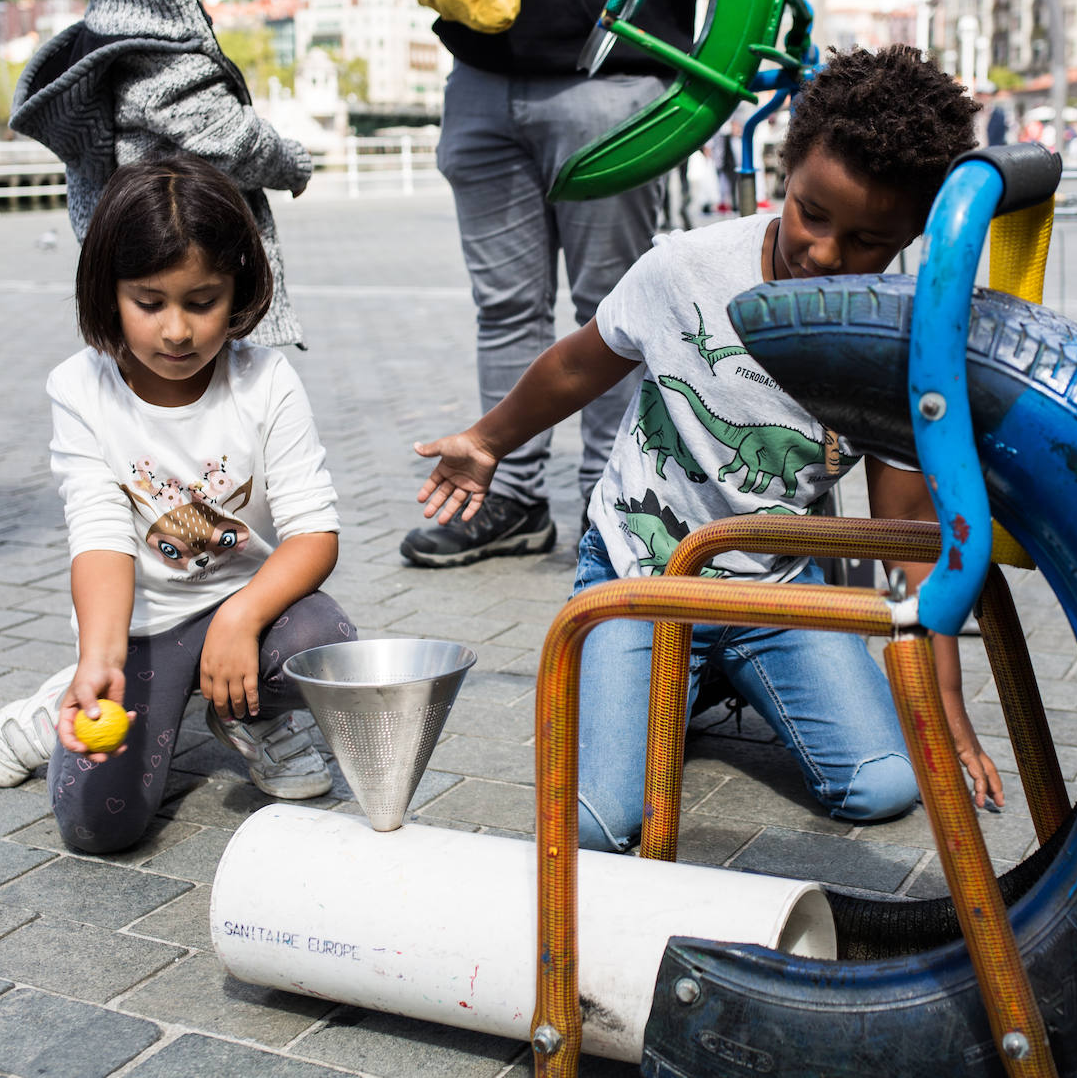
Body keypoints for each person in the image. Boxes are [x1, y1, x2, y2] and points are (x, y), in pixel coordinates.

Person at [412, 45, 1006, 852]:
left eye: (869, 239)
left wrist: (947, 707)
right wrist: (488, 440)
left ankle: (725, 672)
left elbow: (909, 546)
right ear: (786, 172)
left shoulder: (900, 340)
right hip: (642, 573)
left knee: (885, 784)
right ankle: (657, 674)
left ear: (917, 233)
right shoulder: (685, 270)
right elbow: (577, 364)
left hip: (775, 587)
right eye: (811, 213)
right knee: (598, 821)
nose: (825, 253)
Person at [0, 156, 355, 854]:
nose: (177, 330)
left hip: (245, 609)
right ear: (107, 293)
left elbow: (314, 533)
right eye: (149, 303)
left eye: (201, 301)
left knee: (324, 640)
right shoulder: (79, 389)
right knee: (98, 826)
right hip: (141, 629)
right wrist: (101, 658)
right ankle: (55, 704)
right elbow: (100, 537)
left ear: (238, 290)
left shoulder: (267, 380)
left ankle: (248, 714)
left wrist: (241, 615)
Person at [396, 0, 700, 566]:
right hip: (481, 71)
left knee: (615, 308)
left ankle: (612, 498)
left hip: (615, 69)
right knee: (505, 306)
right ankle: (510, 495)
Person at [8, 0, 313, 348]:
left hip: (138, 274)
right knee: (216, 382)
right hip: (188, 265)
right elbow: (230, 139)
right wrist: (292, 164)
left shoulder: (103, 35)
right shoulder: (155, 50)